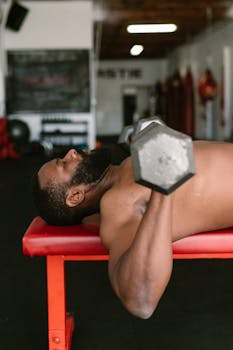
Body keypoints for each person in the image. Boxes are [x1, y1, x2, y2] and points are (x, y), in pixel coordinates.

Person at [32, 140, 233, 319]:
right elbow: (140, 301)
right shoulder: (117, 205)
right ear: (75, 196)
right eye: (65, 164)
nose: (72, 153)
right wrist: (163, 188)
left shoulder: (122, 168)